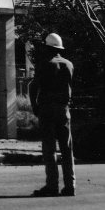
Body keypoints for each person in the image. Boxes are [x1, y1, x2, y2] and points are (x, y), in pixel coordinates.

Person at [28, 32, 76, 197]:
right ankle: (70, 185)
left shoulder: (44, 64)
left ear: (47, 48)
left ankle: (52, 185)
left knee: (49, 149)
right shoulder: (69, 65)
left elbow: (33, 87)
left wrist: (35, 106)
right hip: (64, 110)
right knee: (67, 149)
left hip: (47, 109)